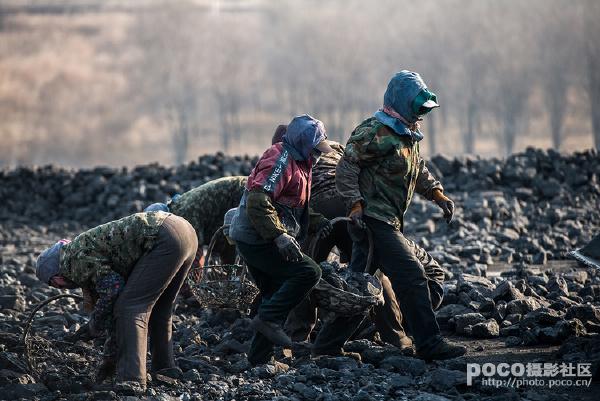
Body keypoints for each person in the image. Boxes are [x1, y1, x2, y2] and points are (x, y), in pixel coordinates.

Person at [331, 70, 466, 360]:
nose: (421, 115)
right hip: (373, 221)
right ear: (402, 102)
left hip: (389, 222)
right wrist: (355, 205)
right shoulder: (374, 132)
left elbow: (417, 169)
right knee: (413, 275)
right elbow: (346, 169)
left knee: (359, 289)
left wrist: (437, 194)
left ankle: (325, 346)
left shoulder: (407, 133)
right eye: (417, 107)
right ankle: (429, 344)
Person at [34, 211, 197, 389]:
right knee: (159, 308)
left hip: (165, 238)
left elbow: (114, 290)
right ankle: (165, 369)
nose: (58, 286)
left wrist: (93, 324)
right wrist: (109, 358)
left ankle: (131, 381)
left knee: (131, 308)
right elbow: (114, 309)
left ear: (55, 275)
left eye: (52, 282)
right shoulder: (85, 250)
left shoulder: (71, 260)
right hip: (186, 232)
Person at [229, 114, 333, 365]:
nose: (319, 155)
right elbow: (258, 200)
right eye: (315, 150)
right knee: (309, 272)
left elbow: (290, 205)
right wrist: (279, 236)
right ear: (303, 144)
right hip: (256, 237)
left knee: (272, 291)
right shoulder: (281, 159)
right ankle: (268, 319)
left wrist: (317, 221)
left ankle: (258, 360)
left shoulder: (300, 163)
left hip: (257, 235)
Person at [144, 176, 247, 283]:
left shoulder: (185, 214)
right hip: (243, 192)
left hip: (246, 192)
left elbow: (193, 254)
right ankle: (234, 282)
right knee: (231, 252)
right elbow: (222, 241)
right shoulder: (184, 207)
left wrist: (191, 288)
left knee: (190, 255)